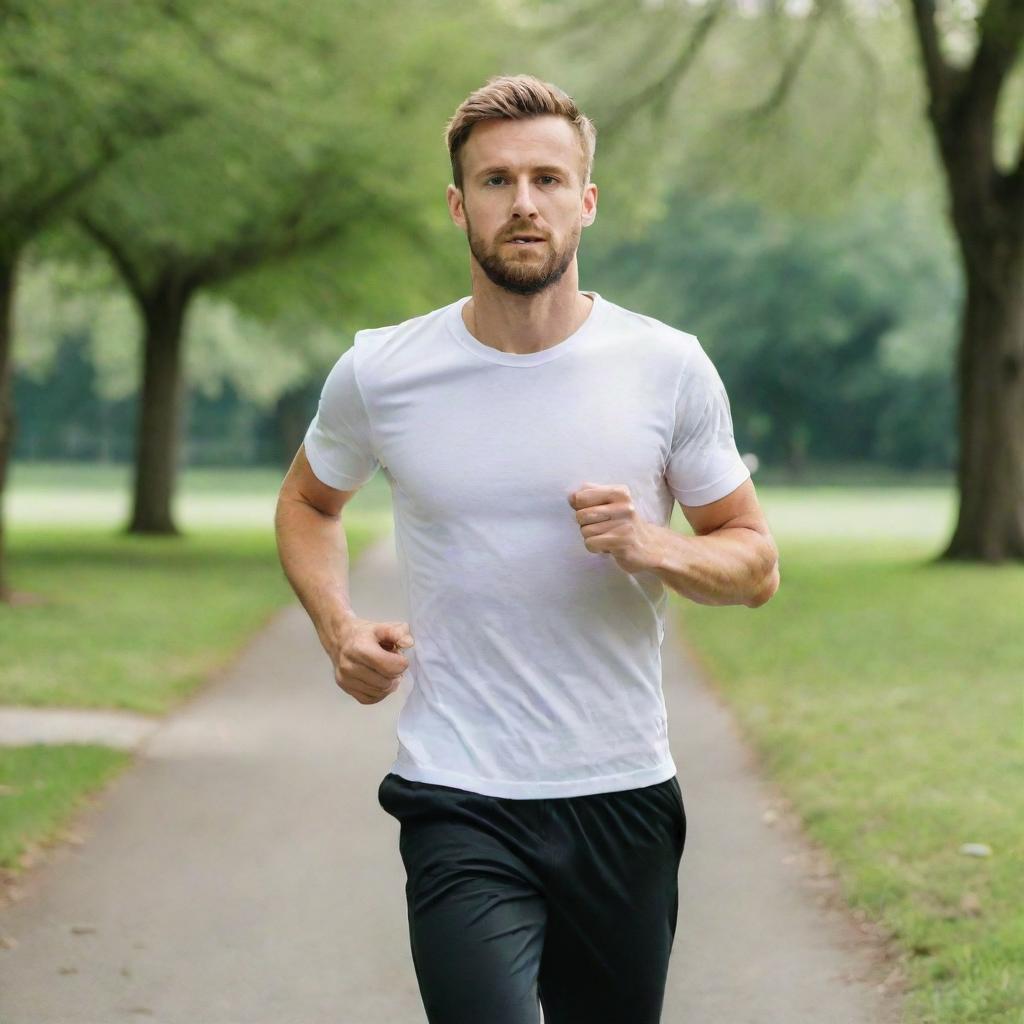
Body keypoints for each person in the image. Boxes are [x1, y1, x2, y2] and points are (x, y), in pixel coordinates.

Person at [275, 73, 780, 1024]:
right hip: (457, 792)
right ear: (459, 205)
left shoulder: (666, 366)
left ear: (586, 201)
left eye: (548, 178)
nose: (524, 203)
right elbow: (307, 500)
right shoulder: (383, 369)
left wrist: (653, 547)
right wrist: (337, 625)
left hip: (619, 790)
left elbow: (754, 562)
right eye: (497, 181)